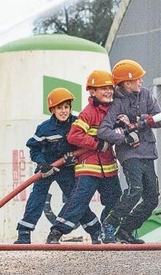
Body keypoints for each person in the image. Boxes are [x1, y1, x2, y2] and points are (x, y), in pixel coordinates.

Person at [15, 88, 102, 244]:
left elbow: (82, 147)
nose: (63, 111)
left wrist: (73, 161)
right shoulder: (45, 128)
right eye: (59, 108)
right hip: (46, 169)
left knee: (74, 200)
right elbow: (34, 148)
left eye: (66, 107)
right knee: (36, 199)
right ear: (52, 110)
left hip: (66, 169)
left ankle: (95, 231)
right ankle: (24, 234)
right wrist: (42, 164)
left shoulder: (77, 124)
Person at [46, 70, 121, 244]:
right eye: (103, 88)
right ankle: (56, 233)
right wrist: (97, 144)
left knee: (116, 201)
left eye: (110, 87)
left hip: (109, 168)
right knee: (77, 202)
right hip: (88, 167)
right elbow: (74, 135)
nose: (108, 91)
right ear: (92, 92)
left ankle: (106, 231)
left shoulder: (113, 111)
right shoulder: (89, 112)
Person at [97, 59, 161, 244]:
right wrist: (124, 138)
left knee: (152, 198)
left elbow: (159, 120)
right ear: (127, 82)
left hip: (148, 153)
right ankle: (110, 225)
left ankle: (125, 230)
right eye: (138, 79)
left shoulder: (147, 95)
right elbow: (104, 131)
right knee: (135, 190)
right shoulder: (116, 104)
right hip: (130, 155)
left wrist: (146, 119)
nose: (141, 81)